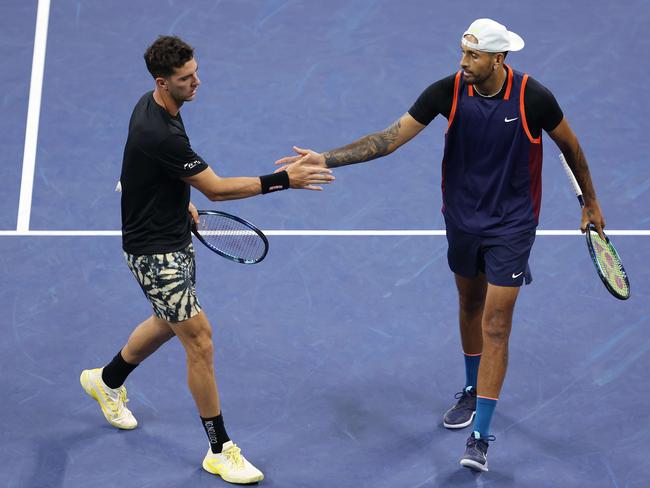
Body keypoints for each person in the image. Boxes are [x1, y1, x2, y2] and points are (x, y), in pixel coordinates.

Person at [275, 18, 605, 472]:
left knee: (496, 323)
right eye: (462, 53)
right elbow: (388, 139)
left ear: (498, 58)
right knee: (469, 304)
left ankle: (480, 436)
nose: (463, 62)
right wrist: (326, 157)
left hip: (512, 224)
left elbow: (572, 147)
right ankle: (471, 389)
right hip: (462, 219)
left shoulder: (533, 98)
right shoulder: (447, 91)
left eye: (473, 56)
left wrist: (590, 203)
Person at [80, 35, 334, 484]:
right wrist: (283, 180)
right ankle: (220, 449)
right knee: (199, 339)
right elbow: (215, 188)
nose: (197, 81)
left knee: (166, 320)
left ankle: (107, 380)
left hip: (173, 233)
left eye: (196, 71)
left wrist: (178, 203)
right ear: (163, 82)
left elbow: (140, 171)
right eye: (185, 78)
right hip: (154, 252)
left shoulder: (156, 108)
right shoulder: (157, 130)